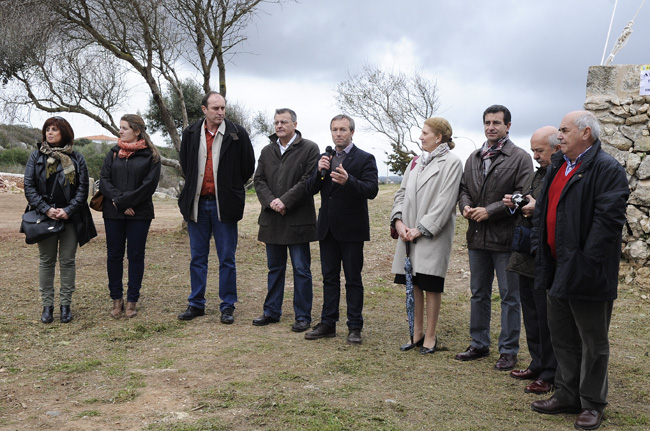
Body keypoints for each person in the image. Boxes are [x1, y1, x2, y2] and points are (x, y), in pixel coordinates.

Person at [530, 111, 629, 431]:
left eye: (564, 130)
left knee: (592, 341)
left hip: (587, 271)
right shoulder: (558, 165)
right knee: (563, 336)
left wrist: (585, 262)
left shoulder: (607, 169)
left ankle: (592, 403)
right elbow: (543, 212)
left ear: (586, 133)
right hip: (555, 267)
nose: (559, 136)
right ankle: (567, 393)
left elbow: (608, 223)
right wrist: (540, 250)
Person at [456, 104, 533, 370]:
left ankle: (509, 350)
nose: (491, 127)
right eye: (487, 122)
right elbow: (463, 188)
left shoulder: (520, 158)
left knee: (510, 296)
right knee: (478, 293)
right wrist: (465, 206)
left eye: (496, 123)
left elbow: (523, 195)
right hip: (477, 237)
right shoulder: (474, 157)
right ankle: (478, 343)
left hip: (506, 239)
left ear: (508, 126)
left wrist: (490, 211)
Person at [177, 91, 255, 324]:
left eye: (223, 108)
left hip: (225, 206)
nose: (220, 112)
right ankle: (196, 304)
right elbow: (185, 165)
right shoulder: (190, 133)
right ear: (204, 110)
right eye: (215, 108)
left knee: (227, 258)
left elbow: (247, 167)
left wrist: (230, 188)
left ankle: (227, 305)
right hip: (198, 205)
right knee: (197, 257)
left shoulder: (237, 133)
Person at [304, 114, 378, 345]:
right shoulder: (324, 157)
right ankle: (328, 323)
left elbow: (372, 190)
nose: (338, 133)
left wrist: (349, 181)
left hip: (352, 229)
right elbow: (310, 189)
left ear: (352, 132)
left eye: (343, 129)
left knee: (353, 279)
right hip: (327, 228)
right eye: (335, 129)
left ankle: (354, 326)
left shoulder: (365, 158)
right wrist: (318, 171)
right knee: (329, 278)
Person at [390, 117, 463, 354]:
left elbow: (446, 202)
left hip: (431, 235)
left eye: (424, 133)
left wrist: (420, 229)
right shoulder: (414, 163)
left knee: (431, 284)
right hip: (407, 234)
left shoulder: (451, 163)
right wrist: (399, 222)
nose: (420, 137)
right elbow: (400, 195)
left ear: (439, 137)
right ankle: (416, 333)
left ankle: (430, 336)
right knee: (414, 284)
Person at [23, 116, 97, 324]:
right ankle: (48, 306)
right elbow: (29, 187)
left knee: (67, 261)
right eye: (47, 129)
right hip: (43, 217)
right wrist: (46, 210)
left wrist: (68, 210)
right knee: (46, 261)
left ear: (64, 132)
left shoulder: (77, 158)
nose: (50, 133)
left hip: (70, 218)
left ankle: (65, 306)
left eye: (54, 129)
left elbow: (82, 189)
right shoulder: (35, 156)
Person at [503, 126, 560, 393]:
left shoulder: (559, 174)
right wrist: (517, 203)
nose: (535, 155)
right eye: (533, 150)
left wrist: (537, 207)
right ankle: (537, 363)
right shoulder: (540, 174)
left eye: (540, 150)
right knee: (532, 315)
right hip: (526, 255)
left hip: (544, 256)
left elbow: (557, 209)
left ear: (555, 148)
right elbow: (531, 200)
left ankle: (550, 372)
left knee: (546, 317)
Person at [252, 108, 320, 332]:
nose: (279, 126)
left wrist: (285, 201)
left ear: (295, 124)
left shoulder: (310, 148)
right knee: (275, 268)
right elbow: (259, 180)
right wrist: (272, 201)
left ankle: (303, 316)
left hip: (298, 219)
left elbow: (308, 180)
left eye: (284, 122)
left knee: (301, 269)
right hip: (272, 219)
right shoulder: (267, 150)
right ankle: (271, 311)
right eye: (276, 122)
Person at [99, 114, 161, 319]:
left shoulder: (151, 156)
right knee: (114, 255)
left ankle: (132, 300)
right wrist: (119, 202)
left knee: (136, 256)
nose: (120, 131)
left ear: (137, 131)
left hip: (139, 214)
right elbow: (105, 180)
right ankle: (116, 300)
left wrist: (126, 202)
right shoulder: (114, 153)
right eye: (120, 127)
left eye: (124, 128)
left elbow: (148, 186)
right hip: (113, 213)